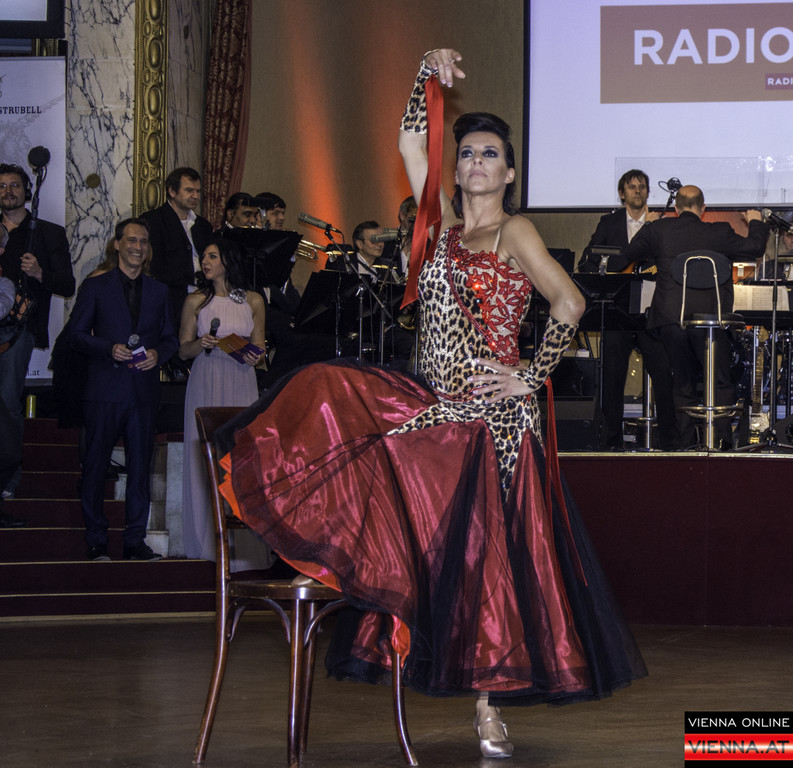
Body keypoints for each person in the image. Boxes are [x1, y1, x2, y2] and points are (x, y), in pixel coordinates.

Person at [215, 48, 646, 760]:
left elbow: (568, 303)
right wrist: (423, 76)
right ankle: (337, 556)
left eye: (490, 154)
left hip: (488, 421)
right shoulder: (440, 225)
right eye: (468, 152)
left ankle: (488, 704)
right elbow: (411, 144)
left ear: (509, 173)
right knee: (331, 390)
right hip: (435, 401)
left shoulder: (514, 232)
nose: (475, 161)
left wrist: (528, 376)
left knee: (485, 560)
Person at [624, 185, 769, 450]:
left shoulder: (659, 230)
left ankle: (685, 444)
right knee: (720, 381)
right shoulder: (720, 231)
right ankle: (721, 441)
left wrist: (648, 226)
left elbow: (629, 254)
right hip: (712, 322)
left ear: (676, 208)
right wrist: (756, 222)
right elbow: (755, 248)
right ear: (703, 209)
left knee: (682, 383)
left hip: (672, 320)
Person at [69, 218, 178, 561]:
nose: (137, 247)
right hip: (104, 390)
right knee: (95, 466)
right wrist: (108, 348)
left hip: (143, 393)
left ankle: (134, 541)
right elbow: (75, 335)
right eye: (131, 240)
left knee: (140, 470)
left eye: (143, 242)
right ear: (117, 244)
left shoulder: (160, 291)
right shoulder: (95, 286)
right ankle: (96, 539)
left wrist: (159, 354)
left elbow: (171, 339)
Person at [178, 238, 274, 570]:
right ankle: (206, 541)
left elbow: (260, 350)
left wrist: (250, 352)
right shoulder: (195, 301)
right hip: (206, 378)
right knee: (206, 455)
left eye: (212, 256)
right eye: (204, 256)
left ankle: (243, 550)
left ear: (228, 261)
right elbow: (183, 350)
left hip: (240, 379)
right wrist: (200, 343)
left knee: (240, 456)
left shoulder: (253, 300)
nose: (205, 261)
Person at [577, 170, 676, 450]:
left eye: (642, 187)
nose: (637, 191)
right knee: (612, 379)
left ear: (648, 192)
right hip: (617, 311)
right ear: (622, 193)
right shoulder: (608, 223)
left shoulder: (661, 225)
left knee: (664, 375)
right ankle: (611, 443)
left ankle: (670, 443)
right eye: (631, 187)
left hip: (650, 312)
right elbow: (589, 260)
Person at [0, 162, 75, 500]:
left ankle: (8, 479)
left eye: (14, 185)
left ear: (26, 191)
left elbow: (67, 285)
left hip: (19, 328)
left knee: (7, 399)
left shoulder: (47, 233)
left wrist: (40, 272)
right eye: (2, 186)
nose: (8, 191)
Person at [140, 167, 213, 330]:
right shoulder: (153, 221)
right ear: (172, 191)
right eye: (189, 190)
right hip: (170, 299)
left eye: (198, 191)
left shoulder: (203, 225)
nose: (195, 196)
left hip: (206, 296)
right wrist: (191, 282)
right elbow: (153, 265)